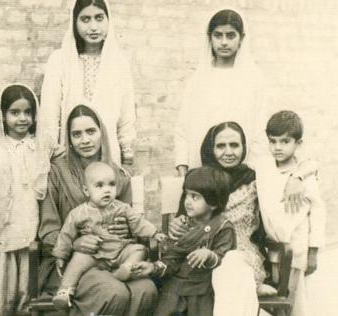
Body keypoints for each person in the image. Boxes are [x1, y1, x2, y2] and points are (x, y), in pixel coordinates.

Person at [169, 121, 317, 316]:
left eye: (235, 145)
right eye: (221, 146)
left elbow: (308, 160)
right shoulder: (199, 178)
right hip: (200, 253)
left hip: (241, 254)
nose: (228, 152)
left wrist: (296, 177)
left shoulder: (255, 178)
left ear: (243, 147)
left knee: (230, 266)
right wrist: (176, 224)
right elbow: (184, 218)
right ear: (210, 148)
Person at [38, 104, 156, 316]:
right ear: (69, 140)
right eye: (77, 134)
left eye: (91, 131)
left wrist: (122, 231)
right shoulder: (56, 172)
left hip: (116, 255)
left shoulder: (117, 174)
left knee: (146, 290)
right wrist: (75, 243)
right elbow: (48, 231)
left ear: (102, 133)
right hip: (75, 261)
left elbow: (130, 225)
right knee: (114, 292)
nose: (85, 140)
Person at [36, 0, 136, 198]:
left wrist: (126, 157)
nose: (93, 27)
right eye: (85, 19)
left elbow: (126, 115)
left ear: (109, 20)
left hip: (107, 156)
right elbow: (49, 112)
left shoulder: (119, 63)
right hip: (70, 154)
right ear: (75, 22)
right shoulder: (60, 60)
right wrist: (54, 151)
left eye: (99, 18)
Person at [52, 161, 166, 309]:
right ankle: (65, 291)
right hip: (94, 255)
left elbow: (138, 222)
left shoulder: (122, 208)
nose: (107, 190)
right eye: (99, 186)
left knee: (139, 249)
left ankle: (127, 268)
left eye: (111, 185)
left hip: (120, 252)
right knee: (78, 259)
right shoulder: (78, 213)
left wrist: (154, 232)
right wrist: (61, 255)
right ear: (86, 191)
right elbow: (66, 235)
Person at [174, 8, 269, 176]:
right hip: (202, 170)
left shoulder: (254, 79)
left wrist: (251, 171)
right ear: (210, 38)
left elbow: (260, 128)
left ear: (241, 39)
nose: (224, 42)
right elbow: (182, 127)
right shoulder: (197, 80)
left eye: (230, 35)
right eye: (218, 35)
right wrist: (183, 167)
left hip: (243, 170)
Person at [133, 166, 236, 316]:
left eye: (195, 197)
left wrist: (209, 255)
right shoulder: (184, 225)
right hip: (175, 289)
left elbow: (226, 262)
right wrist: (153, 267)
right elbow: (172, 260)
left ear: (213, 202)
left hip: (203, 291)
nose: (187, 202)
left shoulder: (222, 227)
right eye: (187, 195)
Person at [0, 84, 40, 315]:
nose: (22, 118)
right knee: (3, 291)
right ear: (3, 115)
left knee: (27, 291)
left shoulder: (38, 147)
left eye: (28, 112)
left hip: (30, 228)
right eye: (15, 112)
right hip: (4, 229)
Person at [255, 111, 326, 316]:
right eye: (273, 141)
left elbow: (318, 213)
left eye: (285, 141)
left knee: (297, 302)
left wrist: (313, 251)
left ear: (298, 144)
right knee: (277, 302)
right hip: (273, 249)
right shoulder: (264, 167)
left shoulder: (305, 178)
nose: (277, 147)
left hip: (296, 250)